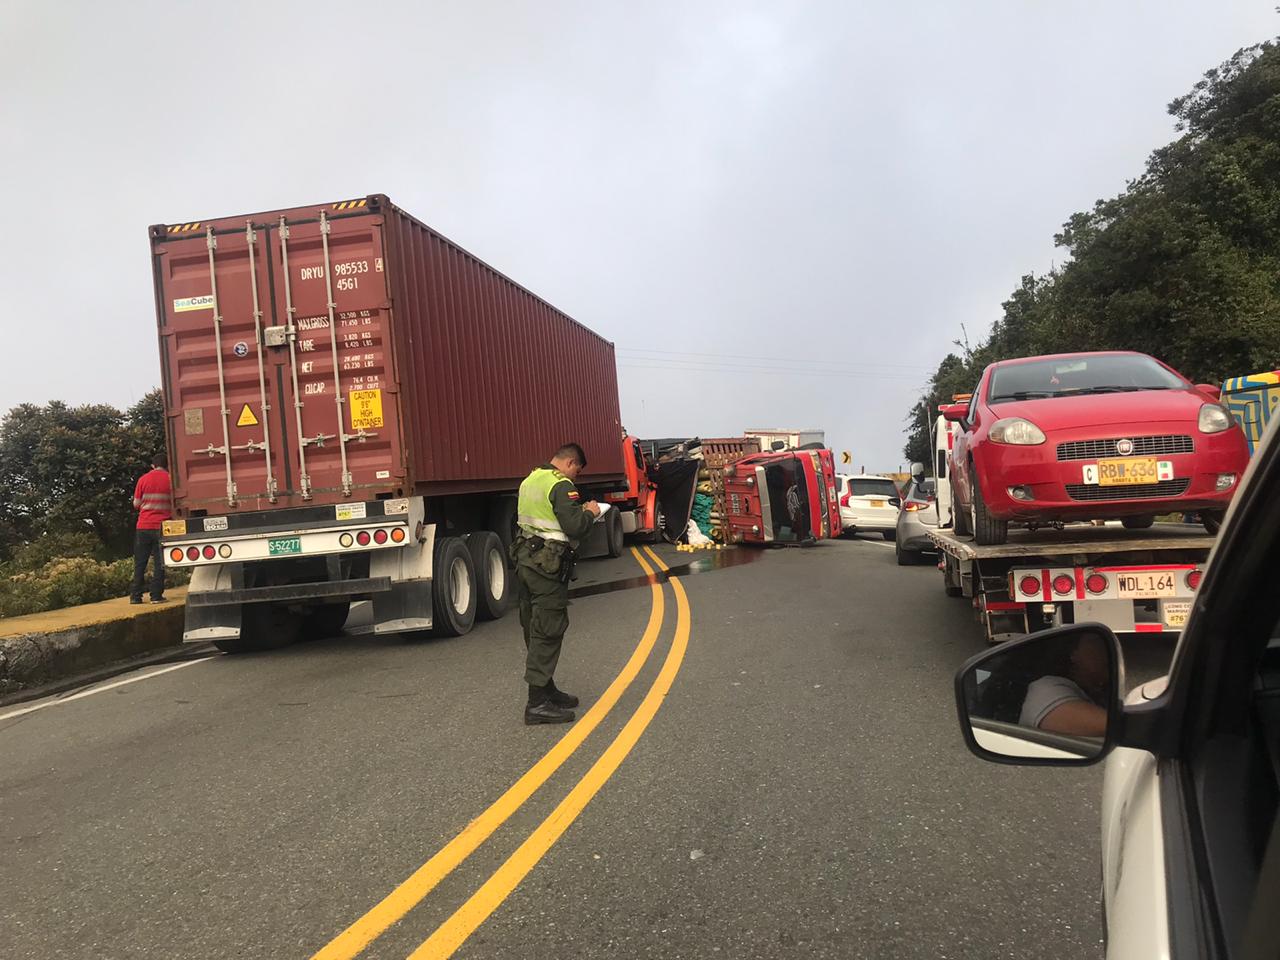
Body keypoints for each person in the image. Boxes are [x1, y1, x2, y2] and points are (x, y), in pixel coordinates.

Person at [512, 443, 601, 724]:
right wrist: (590, 512)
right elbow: (574, 527)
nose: (576, 477)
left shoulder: (531, 479)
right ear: (571, 463)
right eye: (578, 471)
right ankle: (536, 703)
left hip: (526, 560)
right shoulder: (560, 485)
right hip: (546, 567)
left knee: (533, 624)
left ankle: (547, 689)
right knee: (548, 628)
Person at [1018, 631, 1109, 737]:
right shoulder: (1045, 688)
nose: (1106, 650)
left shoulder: (1100, 691)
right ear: (1073, 654)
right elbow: (1109, 724)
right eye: (1097, 643)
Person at [130, 452, 172, 604]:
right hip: (163, 526)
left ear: (153, 465)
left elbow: (136, 504)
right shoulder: (171, 479)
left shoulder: (143, 479)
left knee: (140, 562)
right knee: (160, 563)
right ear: (167, 465)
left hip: (143, 526)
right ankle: (156, 596)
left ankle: (135, 597)